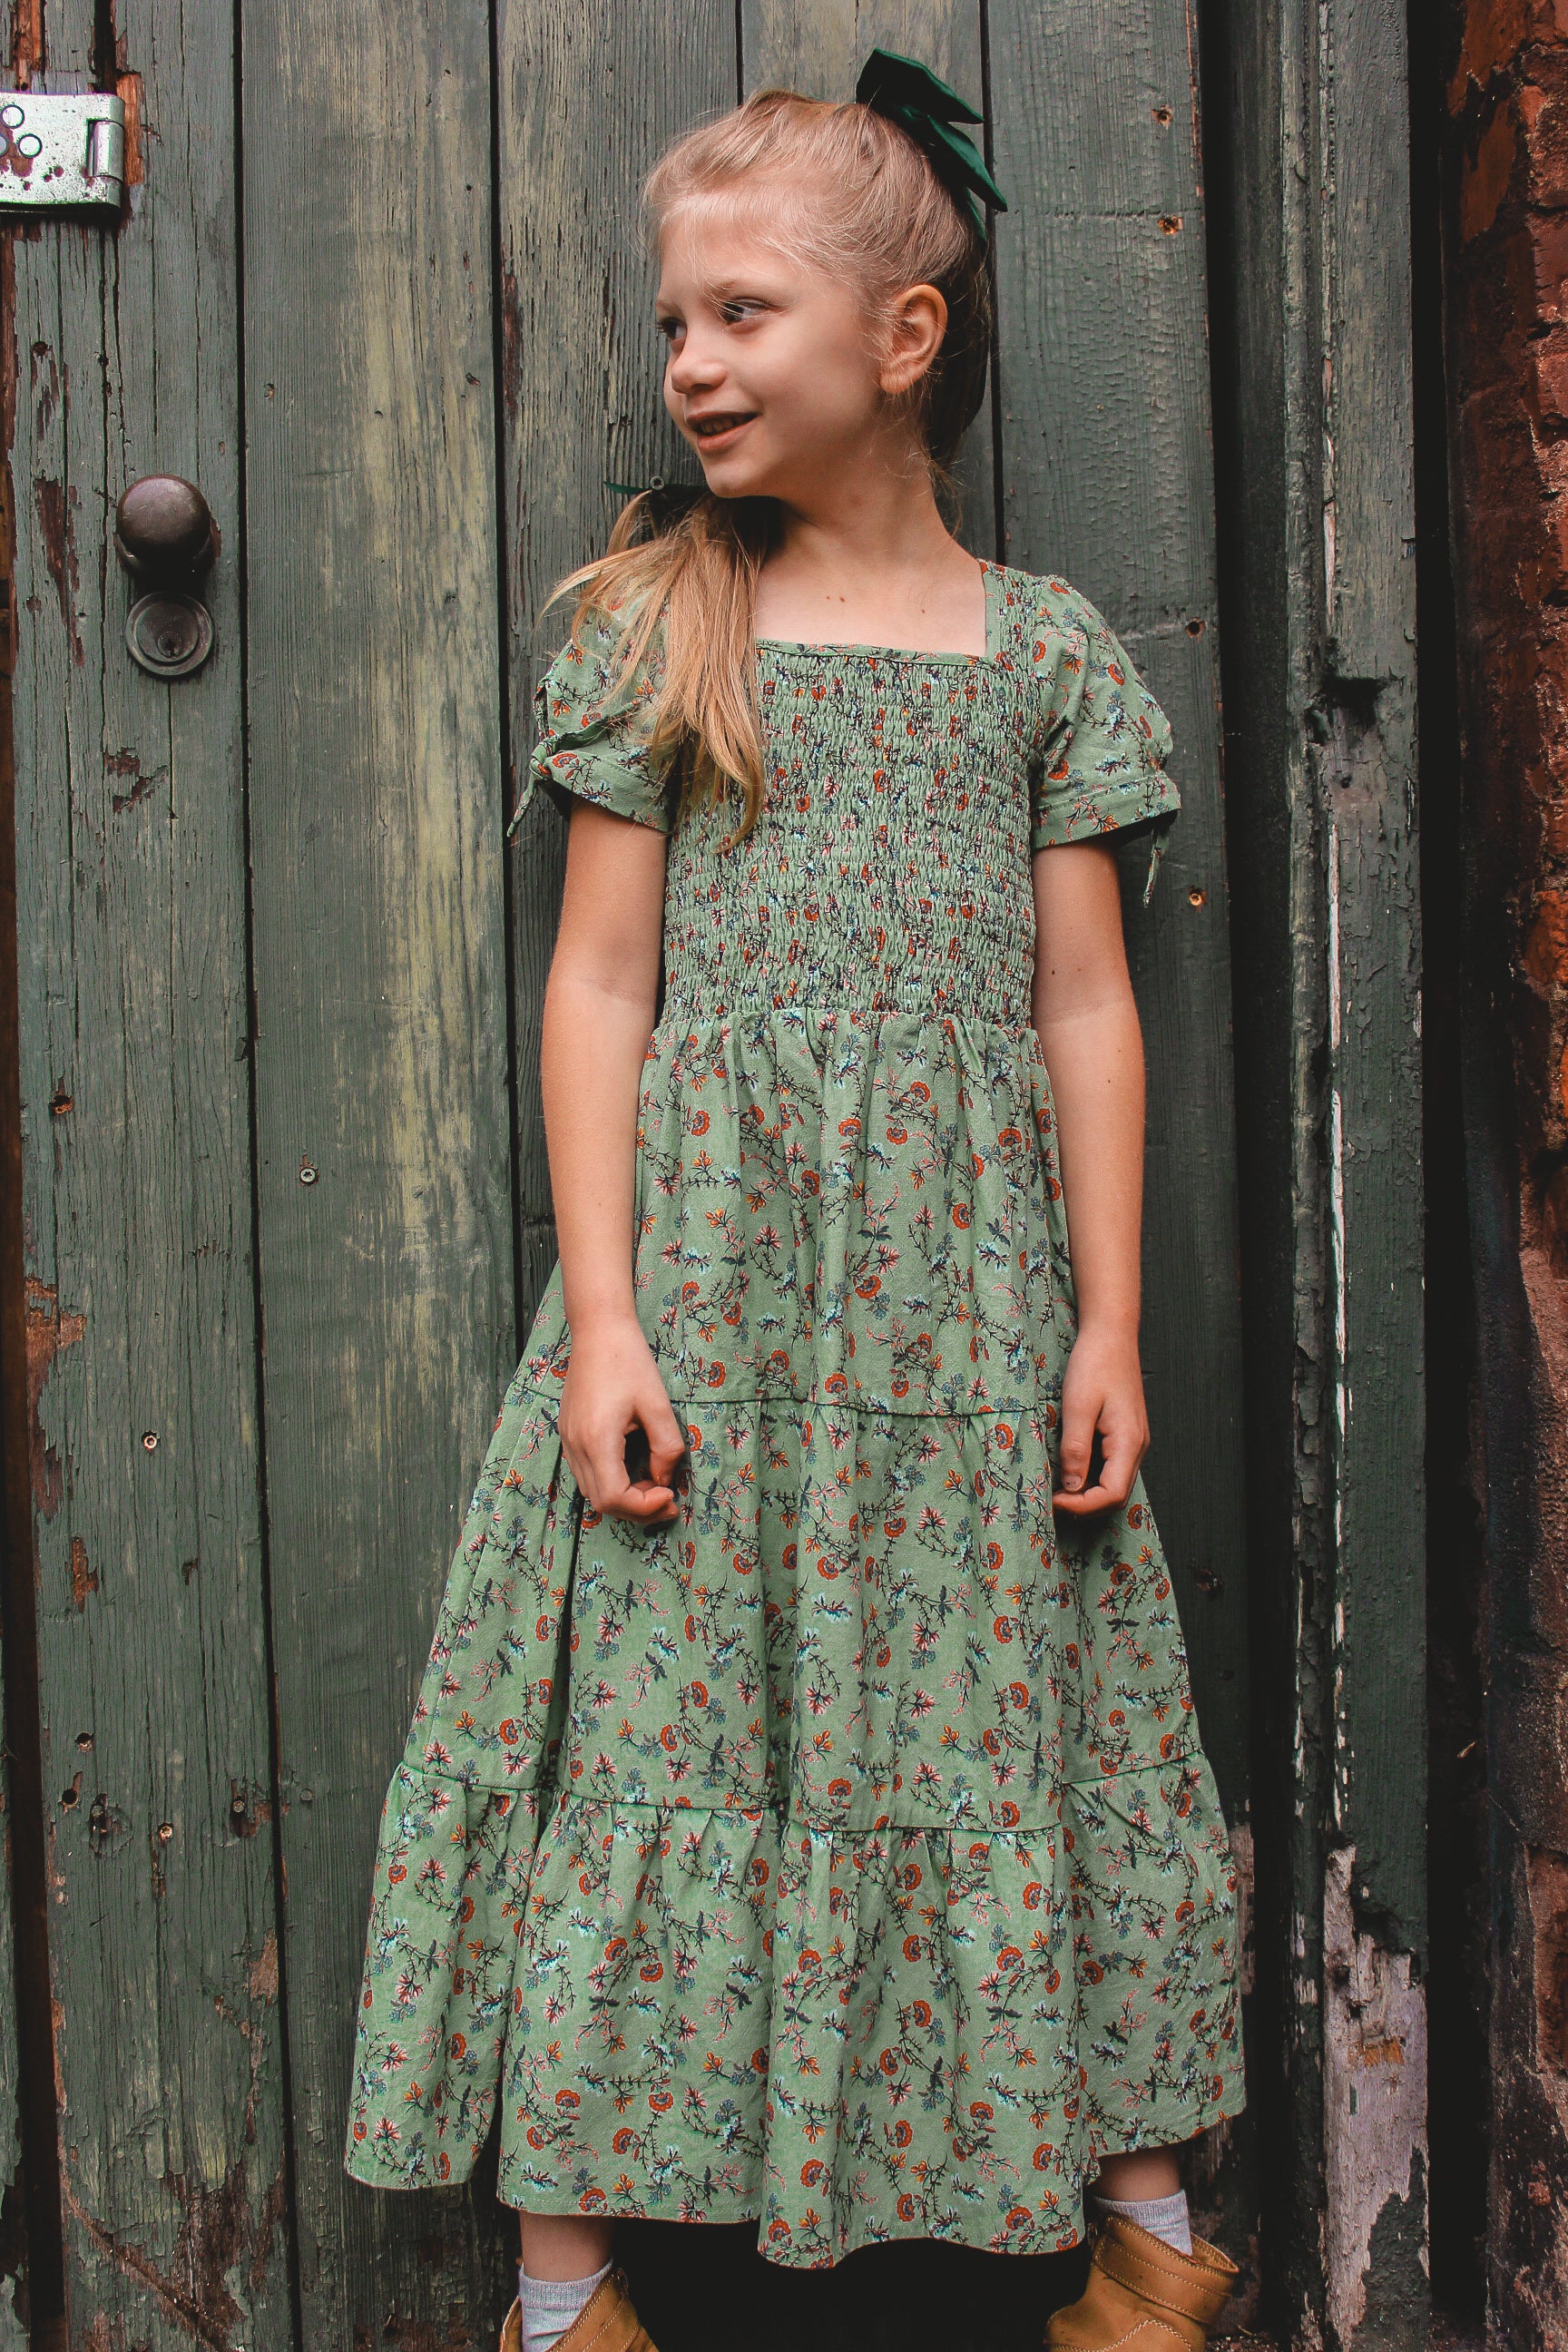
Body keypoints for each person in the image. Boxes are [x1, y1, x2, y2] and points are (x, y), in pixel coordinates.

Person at [344, 52, 1244, 2352]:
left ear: (905, 340)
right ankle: (567, 2289)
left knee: (1045, 1721)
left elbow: (1084, 1020)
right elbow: (601, 983)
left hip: (965, 1320)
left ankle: (1143, 2252)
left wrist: (1108, 1320)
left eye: (743, 313)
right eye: (674, 327)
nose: (694, 365)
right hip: (713, 1313)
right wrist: (607, 1315)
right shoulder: (665, 625)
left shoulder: (1038, 656)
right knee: (637, 1734)